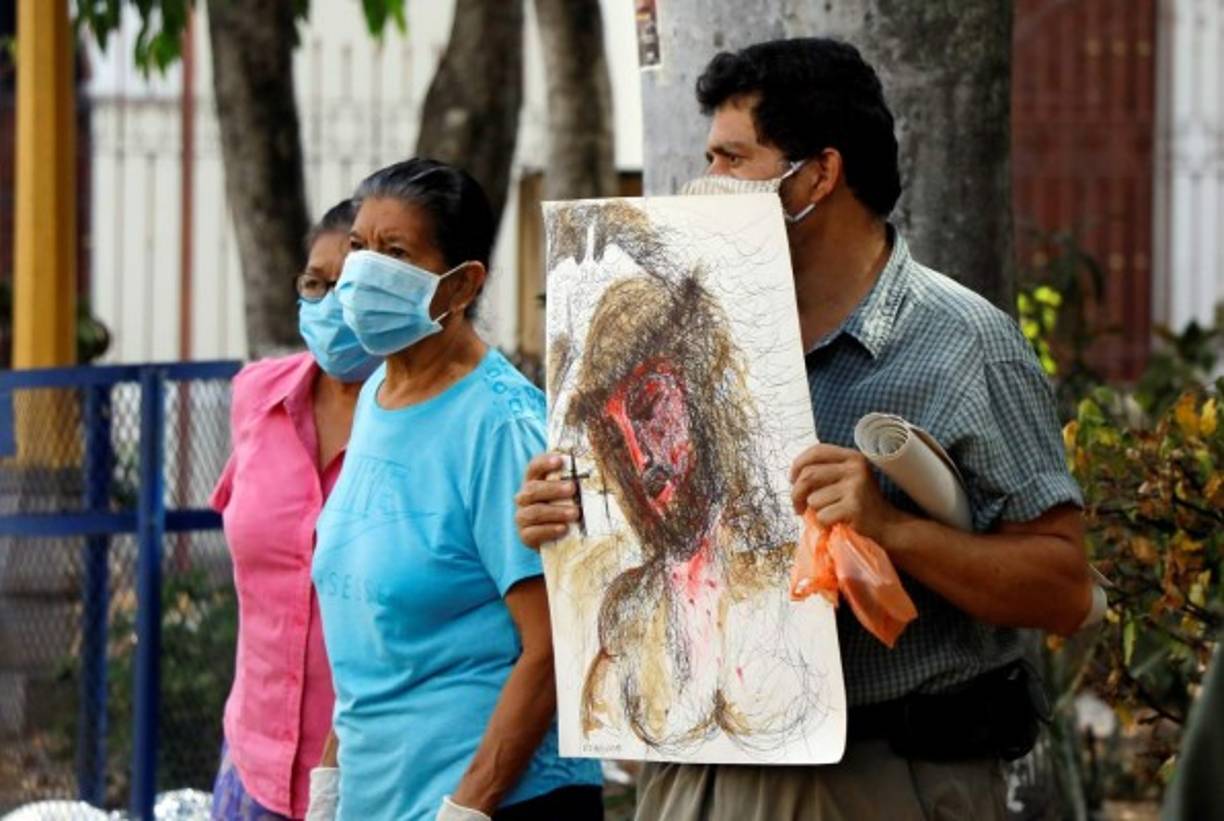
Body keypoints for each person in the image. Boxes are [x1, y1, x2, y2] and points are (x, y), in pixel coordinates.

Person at [514, 38, 1095, 820]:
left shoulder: (962, 344)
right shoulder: (690, 335)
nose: (707, 183)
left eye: (733, 159)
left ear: (819, 175)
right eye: (708, 158)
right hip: (693, 772)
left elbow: (1063, 587)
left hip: (884, 777)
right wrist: (566, 518)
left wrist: (892, 528)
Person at [307, 158, 604, 821]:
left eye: (396, 253)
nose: (363, 270)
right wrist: (332, 771)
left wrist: (467, 806)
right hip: (379, 793)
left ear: (463, 283)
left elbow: (552, 645)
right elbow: (372, 626)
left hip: (500, 798)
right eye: (358, 246)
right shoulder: (381, 398)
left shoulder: (501, 425)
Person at [210, 199, 378, 820]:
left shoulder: (426, 422)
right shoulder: (257, 395)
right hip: (251, 765)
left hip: (372, 778)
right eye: (316, 283)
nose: (331, 302)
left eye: (351, 286)